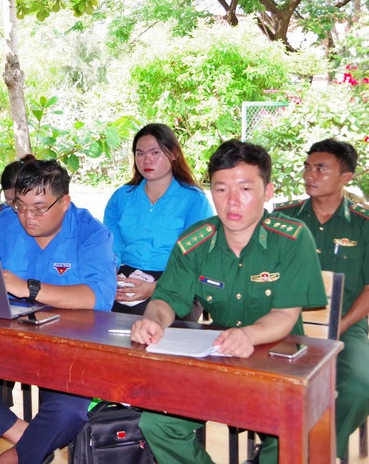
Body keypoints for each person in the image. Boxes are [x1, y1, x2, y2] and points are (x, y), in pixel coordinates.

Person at [131, 140, 327, 464]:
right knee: (158, 424)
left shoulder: (291, 238)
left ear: (268, 191)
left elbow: (284, 314)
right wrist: (153, 319)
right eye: (221, 190)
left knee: (291, 435)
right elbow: (165, 299)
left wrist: (249, 335)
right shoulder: (195, 241)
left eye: (245, 189)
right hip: (217, 361)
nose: (232, 202)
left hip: (277, 364)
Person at [0, 159, 117, 464]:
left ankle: (19, 457)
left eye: (39, 208)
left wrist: (29, 288)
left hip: (68, 343)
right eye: (20, 206)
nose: (28, 217)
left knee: (69, 411)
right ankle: (28, 438)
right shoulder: (5, 223)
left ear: (65, 202)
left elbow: (99, 297)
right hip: (10, 335)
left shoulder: (92, 233)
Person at [273, 138, 369, 460]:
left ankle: (324, 451)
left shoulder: (363, 224)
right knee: (267, 383)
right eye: (307, 167)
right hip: (286, 321)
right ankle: (279, 447)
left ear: (346, 177)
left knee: (360, 385)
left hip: (345, 323)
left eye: (320, 168)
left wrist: (339, 327)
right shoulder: (282, 218)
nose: (309, 175)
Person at [103, 123, 213, 315]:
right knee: (101, 320)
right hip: (127, 276)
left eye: (155, 153)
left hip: (176, 282)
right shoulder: (122, 197)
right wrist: (112, 278)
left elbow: (196, 260)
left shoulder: (194, 200)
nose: (147, 160)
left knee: (151, 325)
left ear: (172, 154)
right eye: (140, 153)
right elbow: (112, 247)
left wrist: (154, 288)